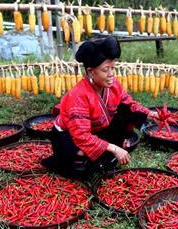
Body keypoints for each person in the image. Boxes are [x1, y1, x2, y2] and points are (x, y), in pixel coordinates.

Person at [42, 36, 159, 177]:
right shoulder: (79, 96)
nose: (111, 74)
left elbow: (129, 103)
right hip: (68, 136)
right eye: (105, 70)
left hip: (94, 128)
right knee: (82, 160)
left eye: (113, 68)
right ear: (91, 71)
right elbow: (82, 136)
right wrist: (115, 149)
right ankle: (62, 160)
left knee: (127, 111)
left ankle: (102, 154)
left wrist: (150, 114)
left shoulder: (112, 84)